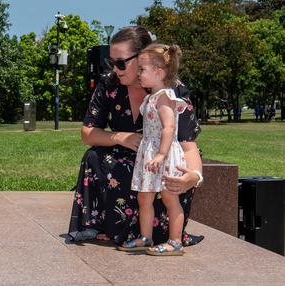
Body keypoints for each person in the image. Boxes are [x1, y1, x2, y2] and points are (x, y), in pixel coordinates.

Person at [68, 26, 204, 247]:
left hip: (164, 163)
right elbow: (88, 133)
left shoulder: (173, 91)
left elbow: (188, 145)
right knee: (94, 158)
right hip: (132, 158)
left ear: (144, 58)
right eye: (111, 62)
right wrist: (120, 137)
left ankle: (161, 234)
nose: (115, 69)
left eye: (121, 62)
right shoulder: (109, 83)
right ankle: (111, 225)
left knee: (170, 179)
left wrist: (194, 176)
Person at [118, 43, 190, 255]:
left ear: (158, 72)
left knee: (169, 197)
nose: (138, 73)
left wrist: (160, 154)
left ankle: (176, 242)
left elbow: (169, 127)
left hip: (164, 154)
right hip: (150, 153)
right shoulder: (150, 97)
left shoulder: (165, 97)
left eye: (142, 69)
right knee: (144, 197)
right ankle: (145, 237)